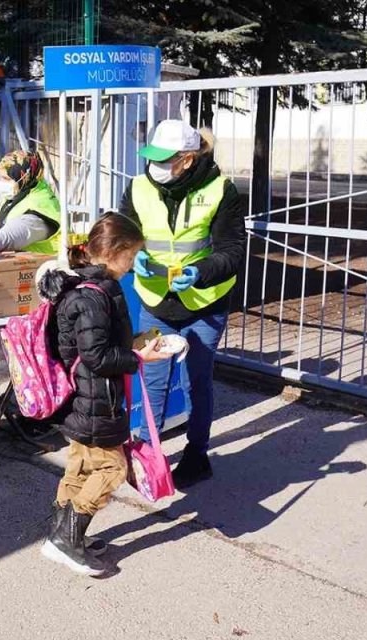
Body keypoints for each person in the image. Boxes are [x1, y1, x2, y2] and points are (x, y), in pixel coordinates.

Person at [118, 119, 247, 488]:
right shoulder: (139, 187)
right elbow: (125, 233)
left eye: (164, 159)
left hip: (204, 303)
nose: (154, 166)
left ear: (187, 159)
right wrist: (135, 255)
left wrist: (200, 272)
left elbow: (233, 250)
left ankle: (197, 455)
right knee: (153, 381)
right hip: (155, 301)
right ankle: (148, 456)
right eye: (152, 157)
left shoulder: (221, 190)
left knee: (196, 382)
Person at [38, 215, 168, 577]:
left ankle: (61, 534)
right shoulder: (92, 297)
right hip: (94, 398)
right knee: (112, 468)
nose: (133, 264)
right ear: (113, 252)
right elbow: (96, 356)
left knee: (80, 465)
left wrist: (135, 345)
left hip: (84, 398)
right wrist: (139, 358)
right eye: (131, 256)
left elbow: (96, 346)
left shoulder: (89, 287)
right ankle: (66, 540)